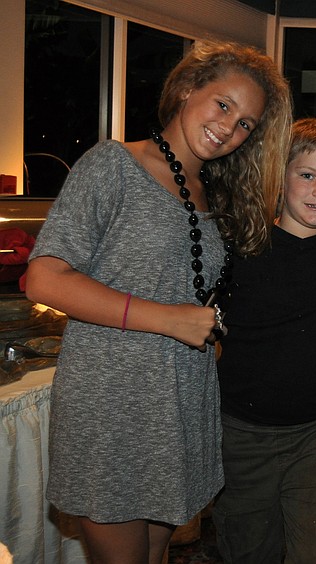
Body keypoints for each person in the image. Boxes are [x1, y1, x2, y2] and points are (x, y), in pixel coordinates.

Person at [25, 40, 292, 564]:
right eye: (223, 104)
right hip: (112, 402)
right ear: (188, 88)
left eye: (245, 123)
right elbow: (44, 279)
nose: (229, 128)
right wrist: (169, 320)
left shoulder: (211, 190)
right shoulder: (113, 165)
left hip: (178, 401)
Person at [212, 117, 316, 563]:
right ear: (280, 176)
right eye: (307, 175)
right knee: (247, 549)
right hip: (240, 434)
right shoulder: (240, 247)